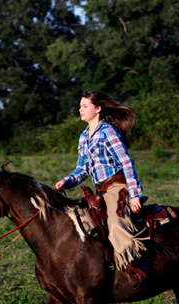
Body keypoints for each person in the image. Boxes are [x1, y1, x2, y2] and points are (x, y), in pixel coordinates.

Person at [55, 90, 149, 288]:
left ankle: (134, 265)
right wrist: (66, 181)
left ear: (98, 109)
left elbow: (126, 162)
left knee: (115, 224)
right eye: (80, 106)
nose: (80, 110)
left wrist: (134, 195)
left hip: (116, 186)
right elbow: (83, 169)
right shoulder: (83, 137)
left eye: (85, 106)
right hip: (100, 190)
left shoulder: (108, 132)